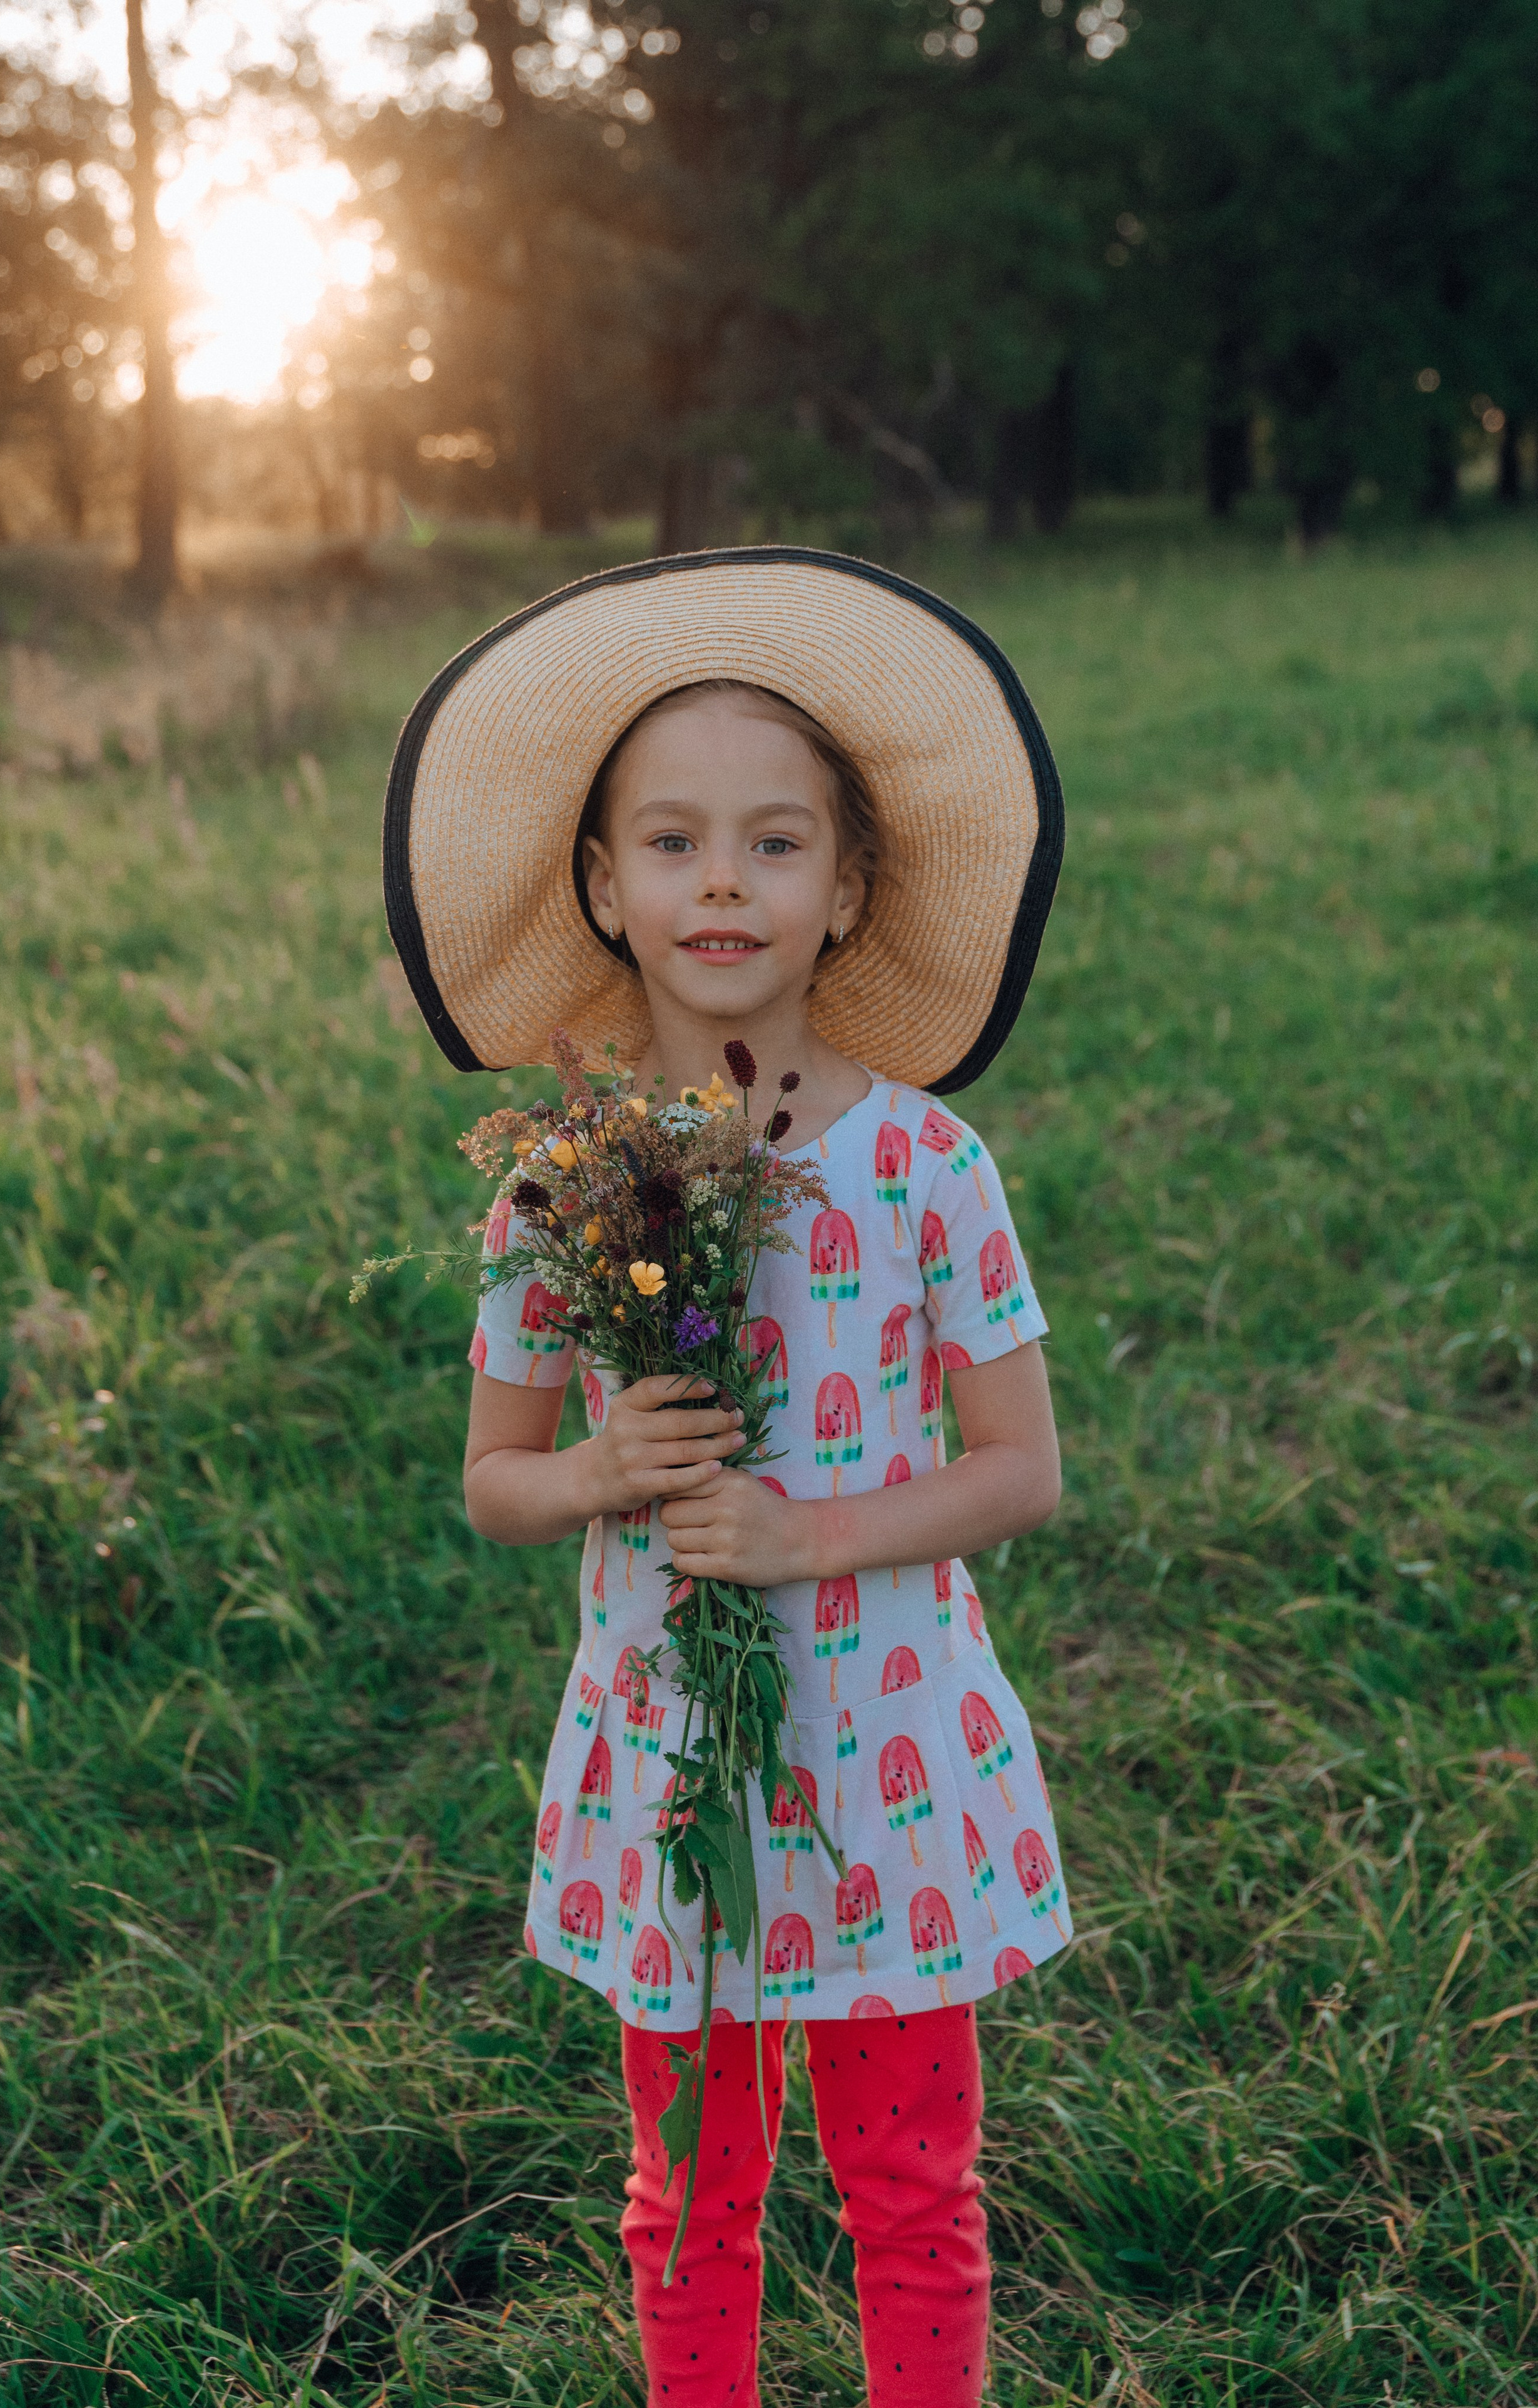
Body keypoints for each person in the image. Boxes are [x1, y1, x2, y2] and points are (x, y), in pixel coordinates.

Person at [383, 549, 1069, 2408]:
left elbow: (1019, 1468)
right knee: (689, 2192)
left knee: (914, 2188)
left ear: (848, 889)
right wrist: (608, 1467)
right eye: (672, 843)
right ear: (604, 883)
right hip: (671, 1761)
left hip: (891, 1755)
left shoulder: (930, 1164)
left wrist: (806, 1533)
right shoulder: (559, 1182)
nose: (721, 883)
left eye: (775, 845)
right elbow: (495, 1485)